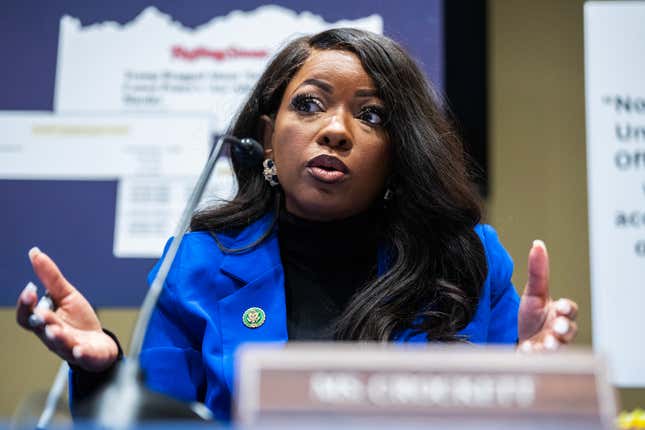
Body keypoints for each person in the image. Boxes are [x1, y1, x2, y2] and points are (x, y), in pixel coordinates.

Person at [16, 28, 578, 421]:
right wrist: (106, 370)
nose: (335, 130)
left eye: (371, 114)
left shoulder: (466, 260)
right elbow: (156, 420)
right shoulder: (198, 265)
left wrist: (528, 381)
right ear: (266, 137)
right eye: (309, 105)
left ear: (398, 155)